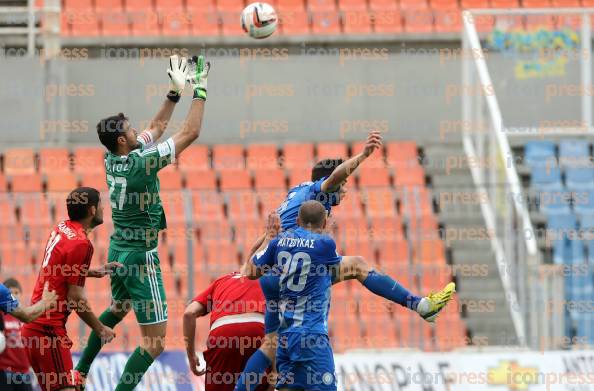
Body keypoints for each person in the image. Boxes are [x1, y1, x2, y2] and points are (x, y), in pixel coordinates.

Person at [234, 131, 456, 391]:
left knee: (271, 344)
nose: (346, 191)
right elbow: (335, 179)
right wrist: (362, 156)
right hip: (292, 273)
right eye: (344, 186)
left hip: (274, 276)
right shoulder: (318, 194)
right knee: (358, 265)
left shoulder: (297, 194)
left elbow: (268, 238)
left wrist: (250, 259)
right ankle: (420, 305)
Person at [74, 54, 210, 391]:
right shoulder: (141, 163)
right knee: (155, 343)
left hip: (120, 245)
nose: (137, 130)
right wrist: (200, 90)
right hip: (139, 255)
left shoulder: (112, 158)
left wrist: (173, 94)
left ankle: (81, 369)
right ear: (123, 140)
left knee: (119, 307)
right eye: (130, 129)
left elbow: (157, 127)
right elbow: (190, 132)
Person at [21, 187, 119, 391]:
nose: (103, 208)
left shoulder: (62, 227)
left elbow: (59, 270)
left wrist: (92, 271)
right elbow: (76, 298)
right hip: (47, 331)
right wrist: (100, 329)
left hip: (35, 329)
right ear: (92, 210)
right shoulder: (82, 244)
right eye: (100, 204)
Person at [244, 201, 344, 391]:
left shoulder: (278, 242)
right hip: (312, 336)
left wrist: (269, 237)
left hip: (286, 337)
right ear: (323, 224)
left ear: (297, 220)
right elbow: (335, 270)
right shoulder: (325, 244)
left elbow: (250, 272)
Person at [183, 271, 270, 391]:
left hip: (223, 334)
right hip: (258, 331)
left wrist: (191, 356)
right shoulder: (270, 280)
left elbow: (189, 313)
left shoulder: (222, 280)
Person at [0, 278, 36, 391]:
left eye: (16, 293)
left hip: (24, 372)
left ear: (21, 294)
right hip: (5, 371)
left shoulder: (26, 317)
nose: (14, 296)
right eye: (11, 293)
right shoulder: (1, 316)